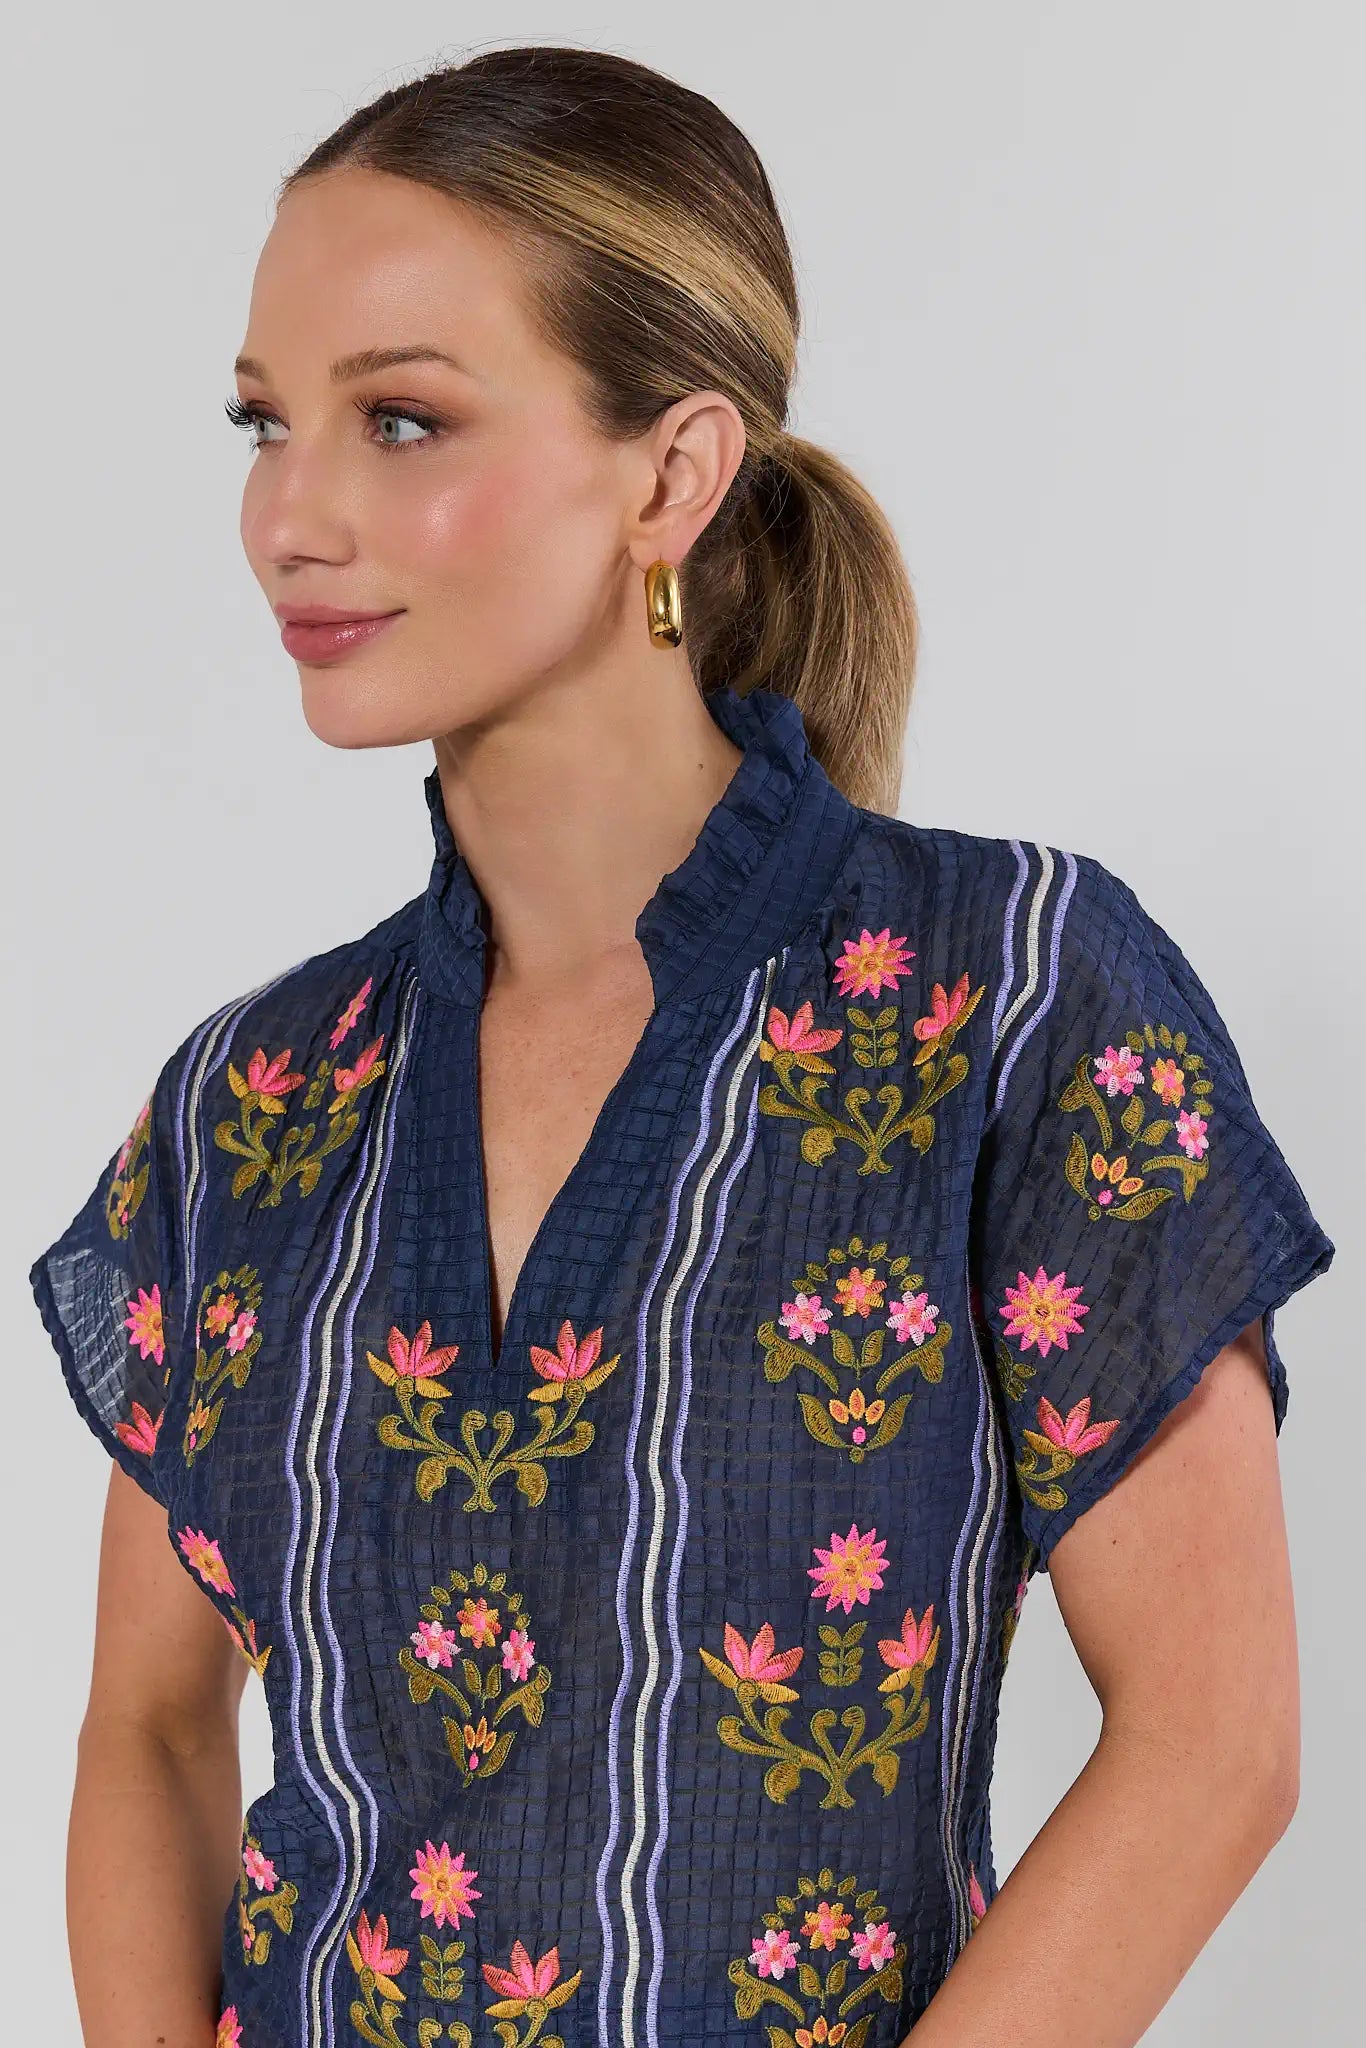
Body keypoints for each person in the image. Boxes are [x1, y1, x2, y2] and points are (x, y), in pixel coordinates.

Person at [30, 44, 1335, 2048]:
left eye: (397, 418)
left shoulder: (1013, 993)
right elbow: (148, 1723)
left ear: (670, 471)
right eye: (264, 423)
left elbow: (1212, 1742)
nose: (292, 511)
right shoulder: (249, 1103)